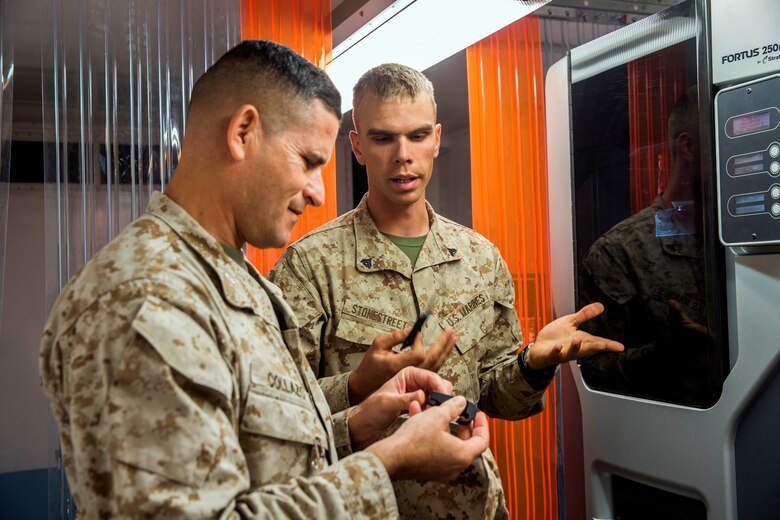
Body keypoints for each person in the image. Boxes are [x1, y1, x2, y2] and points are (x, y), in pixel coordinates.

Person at [38, 40, 492, 519]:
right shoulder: (144, 301)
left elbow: (264, 459)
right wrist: (388, 461)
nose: (318, 193)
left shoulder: (231, 278)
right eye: (309, 162)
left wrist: (355, 426)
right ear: (243, 132)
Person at [267, 63, 624, 518]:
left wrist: (532, 364)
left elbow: (498, 398)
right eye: (382, 138)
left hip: (474, 504)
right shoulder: (309, 268)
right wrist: (356, 386)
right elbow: (280, 419)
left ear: (436, 138)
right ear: (357, 146)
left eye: (417, 136)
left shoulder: (479, 258)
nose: (403, 155)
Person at [577, 85, 718, 406]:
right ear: (689, 147)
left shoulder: (734, 246)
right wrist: (667, 354)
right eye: (723, 142)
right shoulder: (617, 253)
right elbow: (595, 373)